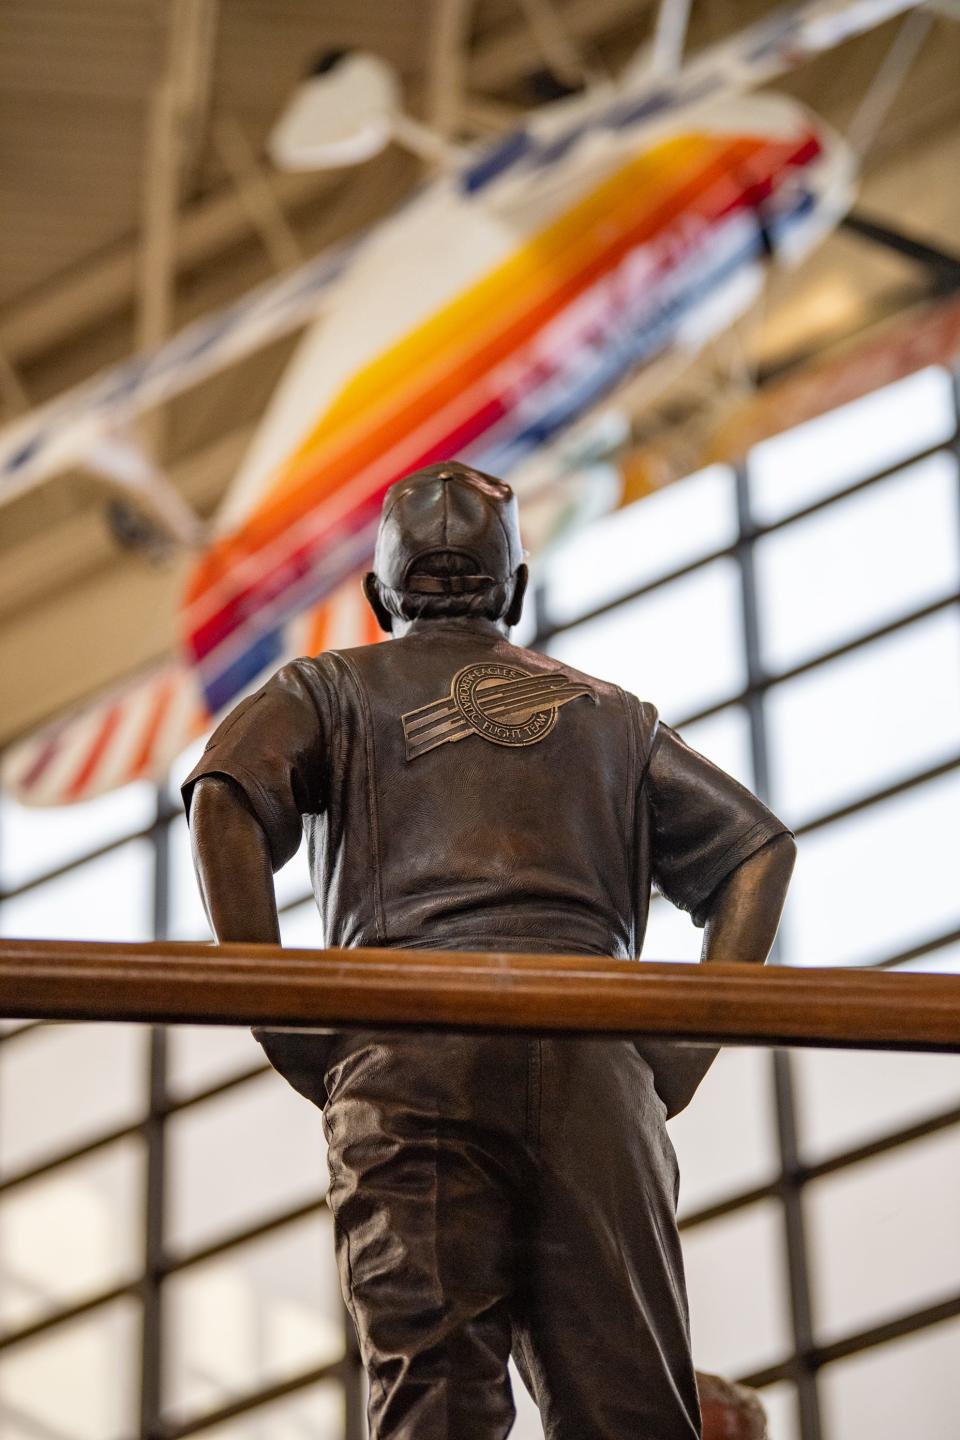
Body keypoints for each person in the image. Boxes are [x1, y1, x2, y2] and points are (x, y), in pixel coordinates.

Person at [184, 461, 795, 1440]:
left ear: (380, 597)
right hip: (594, 1055)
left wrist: (286, 1015)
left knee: (436, 1403)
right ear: (514, 591)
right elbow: (757, 851)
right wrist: (675, 1055)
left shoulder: (330, 687)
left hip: (406, 1053)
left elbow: (223, 794)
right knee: (629, 1402)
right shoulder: (611, 717)